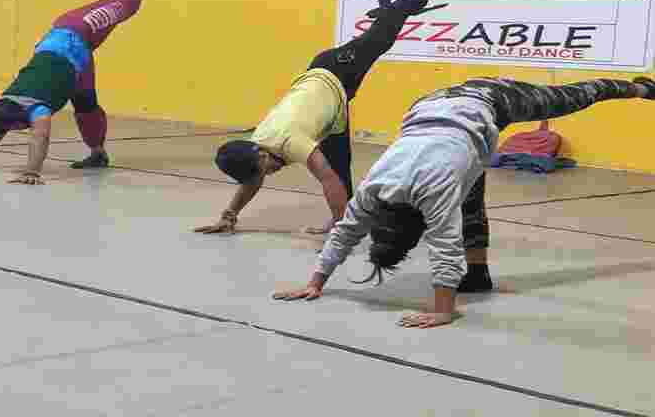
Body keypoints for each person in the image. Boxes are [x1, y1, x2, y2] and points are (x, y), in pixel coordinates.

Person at [273, 75, 655, 328]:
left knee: (570, 98)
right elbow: (346, 231)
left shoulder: (432, 192)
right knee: (468, 188)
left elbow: (445, 245)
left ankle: (637, 90)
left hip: (488, 99)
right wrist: (315, 282)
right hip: (434, 118)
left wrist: (444, 311)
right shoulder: (375, 188)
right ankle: (478, 273)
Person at [197, 0, 473, 236]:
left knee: (383, 31)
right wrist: (228, 215)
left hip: (337, 69)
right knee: (341, 166)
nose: (268, 174)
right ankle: (344, 218)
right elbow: (252, 181)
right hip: (331, 112)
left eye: (264, 171)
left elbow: (325, 177)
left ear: (261, 154)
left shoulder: (290, 141)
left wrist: (342, 238)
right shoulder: (259, 146)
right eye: (262, 175)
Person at [0, 0, 176, 184]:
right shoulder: (5, 101)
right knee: (86, 107)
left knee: (125, 3)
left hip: (77, 27)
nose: (11, 130)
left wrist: (32, 172)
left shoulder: (37, 109)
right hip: (77, 62)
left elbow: (40, 137)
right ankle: (98, 154)